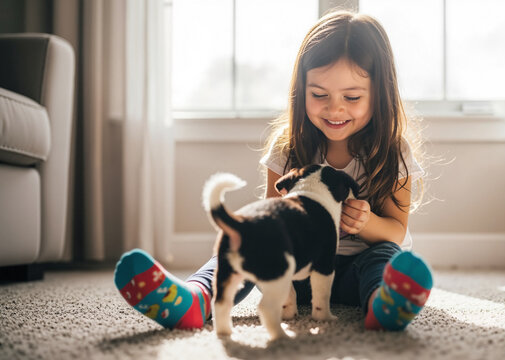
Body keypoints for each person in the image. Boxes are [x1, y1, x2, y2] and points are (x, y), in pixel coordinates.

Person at [114, 10, 433, 332]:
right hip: (298, 273)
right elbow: (270, 219)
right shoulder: (288, 147)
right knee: (243, 243)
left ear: (381, 93)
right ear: (301, 89)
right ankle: (193, 300)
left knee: (385, 256)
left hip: (359, 272)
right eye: (319, 95)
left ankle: (384, 305)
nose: (335, 108)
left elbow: (396, 230)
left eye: (352, 97)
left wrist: (365, 223)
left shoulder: (393, 150)